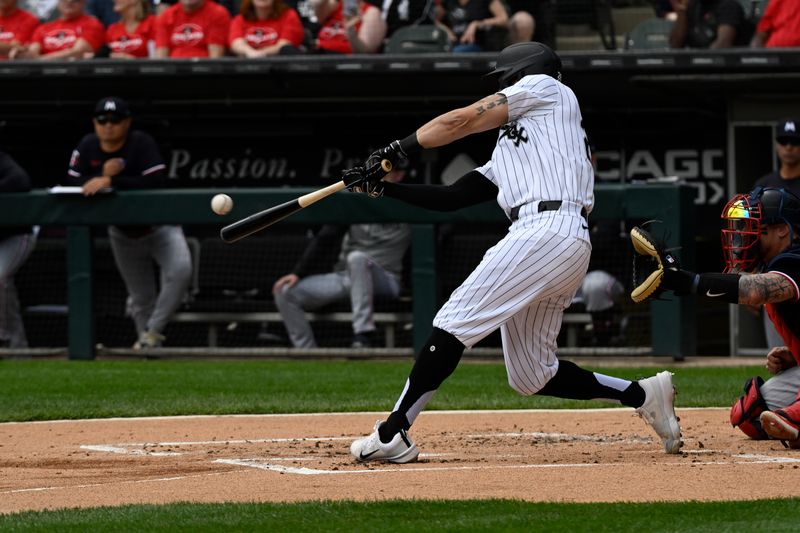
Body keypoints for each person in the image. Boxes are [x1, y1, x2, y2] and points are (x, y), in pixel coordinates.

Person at [341, 42, 683, 463]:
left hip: (547, 230)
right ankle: (642, 393)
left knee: (451, 322)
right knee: (532, 375)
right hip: (558, 238)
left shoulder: (548, 89)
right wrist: (384, 187)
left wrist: (398, 149)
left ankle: (393, 432)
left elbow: (461, 120)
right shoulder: (516, 146)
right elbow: (454, 197)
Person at [640, 187, 800, 448]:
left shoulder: (794, 259)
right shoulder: (777, 264)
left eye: (757, 227)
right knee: (751, 414)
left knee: (792, 418)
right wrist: (795, 355)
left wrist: (689, 281)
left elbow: (754, 290)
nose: (743, 236)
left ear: (782, 229)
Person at [63, 96, 193, 349]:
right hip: (122, 234)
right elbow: (71, 182)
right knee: (141, 297)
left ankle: (152, 331)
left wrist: (113, 181)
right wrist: (102, 176)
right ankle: (148, 351)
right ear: (95, 122)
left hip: (160, 226)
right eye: (102, 120)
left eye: (115, 120)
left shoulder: (140, 142)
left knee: (180, 271)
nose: (108, 125)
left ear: (127, 122)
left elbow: (155, 181)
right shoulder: (88, 144)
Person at [273, 167, 410, 348]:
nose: (381, 176)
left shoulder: (408, 201)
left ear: (400, 175)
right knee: (284, 292)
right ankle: (307, 353)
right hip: (345, 278)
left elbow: (440, 230)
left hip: (386, 280)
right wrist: (298, 272)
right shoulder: (357, 201)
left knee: (357, 258)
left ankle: (363, 334)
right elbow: (326, 238)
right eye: (378, 172)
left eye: (388, 172)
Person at [754, 119, 800, 349]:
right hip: (772, 270)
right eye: (784, 141)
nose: (789, 147)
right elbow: (754, 234)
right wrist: (752, 279)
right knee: (779, 352)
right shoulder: (764, 184)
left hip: (796, 269)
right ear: (776, 145)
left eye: (794, 141)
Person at [0, 149, 38, 348]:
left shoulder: (2, 159)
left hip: (15, 236)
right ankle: (17, 346)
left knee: (0, 278)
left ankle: (5, 339)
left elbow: (20, 180)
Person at [11, 0, 104, 59]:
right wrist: (20, 53)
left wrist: (40, 60)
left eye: (76, 0)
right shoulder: (44, 28)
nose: (69, 1)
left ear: (84, 2)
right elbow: (32, 53)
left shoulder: (91, 23)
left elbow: (78, 52)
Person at [154, 0, 230, 58]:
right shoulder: (166, 16)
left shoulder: (217, 13)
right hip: (173, 73)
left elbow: (215, 59)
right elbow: (161, 57)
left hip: (204, 72)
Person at [229, 0, 305, 57]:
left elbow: (285, 45)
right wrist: (249, 52)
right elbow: (236, 43)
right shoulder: (240, 18)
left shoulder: (289, 16)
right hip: (248, 67)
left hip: (280, 67)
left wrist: (262, 53)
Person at [669, 0, 752, 49]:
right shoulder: (692, 6)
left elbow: (722, 45)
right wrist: (681, 10)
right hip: (698, 67)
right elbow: (675, 45)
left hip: (725, 70)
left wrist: (701, 61)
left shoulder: (728, 6)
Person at [312, 0, 385, 54]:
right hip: (319, 54)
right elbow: (318, 4)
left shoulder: (371, 12)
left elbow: (365, 53)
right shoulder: (335, 5)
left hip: (345, 61)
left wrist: (350, 30)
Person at [436, 0, 508, 53]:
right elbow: (435, 19)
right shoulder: (448, 2)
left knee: (458, 52)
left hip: (479, 43)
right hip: (454, 42)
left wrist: (477, 24)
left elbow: (504, 19)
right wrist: (446, 31)